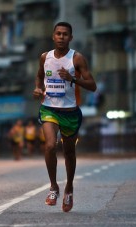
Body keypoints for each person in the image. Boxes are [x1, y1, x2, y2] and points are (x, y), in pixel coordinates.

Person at [32, 21, 97, 212]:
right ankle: (53, 186)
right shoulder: (45, 57)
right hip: (49, 109)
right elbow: (38, 77)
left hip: (70, 112)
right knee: (50, 145)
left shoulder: (76, 59)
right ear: (53, 36)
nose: (61, 37)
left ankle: (69, 187)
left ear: (71, 38)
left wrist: (73, 79)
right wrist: (37, 89)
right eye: (58, 34)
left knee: (69, 152)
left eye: (65, 34)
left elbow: (92, 85)